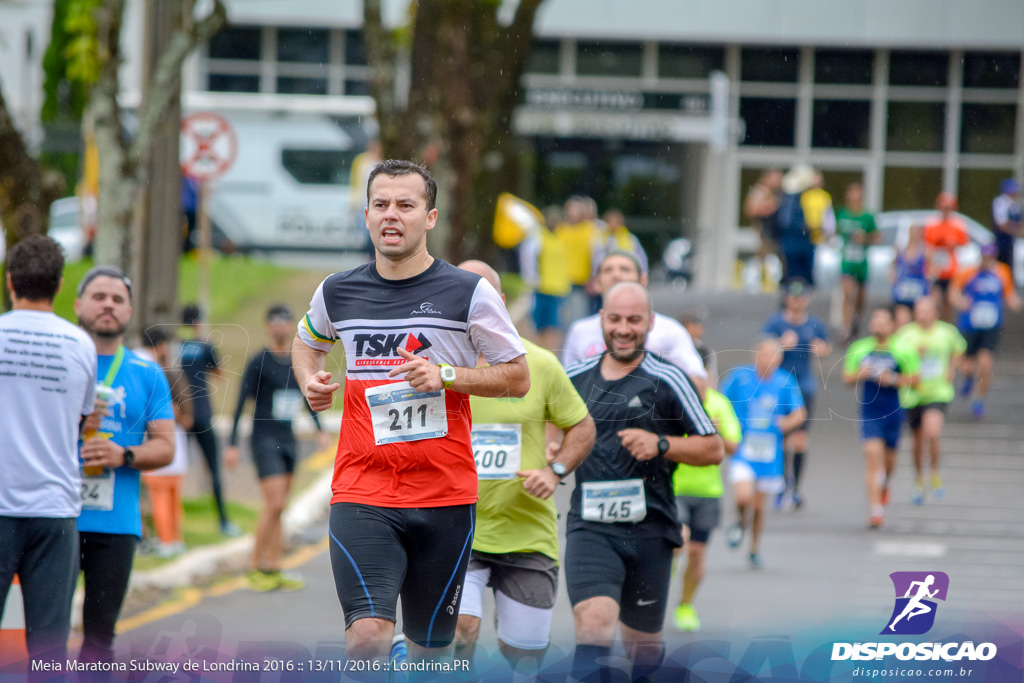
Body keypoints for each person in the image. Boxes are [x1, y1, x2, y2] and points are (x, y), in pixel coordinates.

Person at [292, 160, 529, 663]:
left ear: (431, 217)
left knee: (429, 654)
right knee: (368, 637)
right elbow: (305, 343)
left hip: (444, 495)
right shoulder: (338, 291)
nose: (391, 215)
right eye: (380, 205)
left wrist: (447, 375)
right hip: (363, 488)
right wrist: (309, 380)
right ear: (367, 214)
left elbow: (516, 375)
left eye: (405, 205)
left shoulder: (469, 293)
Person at [564, 282, 723, 682]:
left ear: (650, 323)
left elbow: (713, 447)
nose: (623, 328)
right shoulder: (575, 379)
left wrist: (662, 443)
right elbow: (553, 428)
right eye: (615, 319)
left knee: (644, 649)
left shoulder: (669, 379)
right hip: (590, 527)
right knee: (594, 623)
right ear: (601, 320)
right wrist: (555, 453)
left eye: (634, 320)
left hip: (650, 530)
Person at [453, 261, 595, 675]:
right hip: (457, 530)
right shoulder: (435, 368)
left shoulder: (539, 364)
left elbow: (582, 426)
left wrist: (555, 471)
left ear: (498, 302)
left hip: (527, 531)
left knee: (525, 656)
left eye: (477, 295)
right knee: (461, 630)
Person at [0, 235, 97, 667]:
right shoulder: (80, 344)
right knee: (48, 650)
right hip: (55, 512)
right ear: (59, 286)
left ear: (9, 282)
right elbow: (80, 421)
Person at [75, 266, 175, 664]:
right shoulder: (61, 360)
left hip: (116, 526)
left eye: (117, 300)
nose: (108, 306)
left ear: (130, 311)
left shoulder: (146, 373)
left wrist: (125, 455)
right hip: (56, 520)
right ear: (79, 304)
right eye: (99, 297)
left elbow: (166, 446)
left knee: (99, 640)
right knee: (43, 634)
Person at [226, 304, 332, 592]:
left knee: (280, 507)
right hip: (263, 439)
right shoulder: (259, 361)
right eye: (274, 323)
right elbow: (239, 404)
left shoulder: (296, 362)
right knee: (273, 504)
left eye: (284, 322)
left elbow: (306, 395)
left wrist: (320, 430)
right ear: (268, 327)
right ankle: (253, 566)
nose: (279, 328)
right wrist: (233, 444)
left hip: (288, 440)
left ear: (290, 327)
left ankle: (273, 568)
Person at [562, 251, 707, 394]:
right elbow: (565, 388)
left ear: (643, 280)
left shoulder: (670, 330)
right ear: (597, 282)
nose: (616, 275)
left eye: (625, 269)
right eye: (608, 270)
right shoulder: (579, 330)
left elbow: (697, 383)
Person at [671, 344, 741, 631]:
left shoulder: (719, 404)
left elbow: (734, 447)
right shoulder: (672, 401)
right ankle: (665, 570)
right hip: (674, 488)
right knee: (680, 541)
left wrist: (716, 431)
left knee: (698, 556)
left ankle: (685, 606)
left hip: (708, 492)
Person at [721, 339, 805, 568]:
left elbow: (800, 413)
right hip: (743, 449)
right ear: (755, 355)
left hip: (769, 454)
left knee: (758, 506)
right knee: (743, 496)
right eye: (763, 354)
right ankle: (740, 520)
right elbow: (720, 401)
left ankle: (754, 548)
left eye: (771, 356)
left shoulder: (785, 381)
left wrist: (785, 424)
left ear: (778, 359)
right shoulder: (740, 377)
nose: (766, 360)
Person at [843, 308, 920, 529]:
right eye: (875, 321)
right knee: (871, 455)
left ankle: (885, 483)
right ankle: (876, 510)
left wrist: (894, 378)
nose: (878, 325)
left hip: (894, 410)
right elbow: (846, 377)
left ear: (892, 326)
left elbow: (916, 379)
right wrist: (862, 374)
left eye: (883, 322)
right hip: (870, 411)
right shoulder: (860, 349)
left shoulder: (903, 349)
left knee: (889, 461)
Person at [761, 278, 831, 508]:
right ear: (787, 299)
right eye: (793, 297)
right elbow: (763, 350)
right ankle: (781, 485)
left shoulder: (814, 324)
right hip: (779, 387)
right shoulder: (776, 324)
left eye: (801, 298)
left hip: (804, 386)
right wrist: (781, 345)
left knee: (800, 439)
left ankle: (797, 488)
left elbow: (826, 347)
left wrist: (819, 349)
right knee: (780, 437)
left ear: (806, 300)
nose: (797, 302)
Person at [891, 296, 966, 505]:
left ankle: (934, 473)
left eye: (925, 310)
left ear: (935, 312)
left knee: (932, 432)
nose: (921, 314)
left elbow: (958, 350)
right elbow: (894, 359)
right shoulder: (906, 335)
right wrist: (913, 355)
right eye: (918, 310)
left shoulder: (947, 332)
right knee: (917, 441)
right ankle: (918, 479)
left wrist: (953, 368)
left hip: (938, 391)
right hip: (913, 393)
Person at [179, 303, 240, 537]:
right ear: (198, 322)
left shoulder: (175, 346)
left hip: (181, 415)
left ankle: (173, 521)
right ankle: (223, 521)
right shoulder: (205, 346)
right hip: (203, 413)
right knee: (213, 468)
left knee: (174, 470)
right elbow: (220, 373)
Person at [137, 328, 193, 559]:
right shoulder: (161, 370)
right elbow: (184, 414)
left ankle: (166, 539)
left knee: (160, 495)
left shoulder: (139, 365)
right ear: (161, 345)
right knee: (167, 496)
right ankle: (171, 539)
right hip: (168, 443)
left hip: (155, 444)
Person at [950, 243, 1022, 419]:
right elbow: (953, 292)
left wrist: (1016, 304)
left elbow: (1009, 293)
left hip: (991, 326)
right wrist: (960, 303)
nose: (987, 260)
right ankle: (967, 377)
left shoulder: (1002, 272)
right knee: (966, 365)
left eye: (990, 257)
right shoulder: (969, 272)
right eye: (984, 257)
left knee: (985, 364)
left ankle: (979, 400)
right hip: (969, 326)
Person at [519, 205, 571, 352]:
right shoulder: (538, 237)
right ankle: (540, 352)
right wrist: (531, 280)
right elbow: (528, 260)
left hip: (559, 289)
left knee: (553, 327)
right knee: (539, 326)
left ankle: (549, 352)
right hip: (542, 288)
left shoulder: (562, 237)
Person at [836, 182, 878, 341]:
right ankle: (846, 328)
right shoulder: (842, 214)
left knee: (860, 297)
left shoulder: (867, 216)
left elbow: (877, 237)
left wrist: (865, 238)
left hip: (861, 263)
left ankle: (856, 320)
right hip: (846, 262)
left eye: (857, 195)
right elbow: (832, 231)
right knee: (847, 294)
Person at [923, 193, 969, 322]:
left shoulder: (958, 224)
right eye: (944, 207)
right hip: (937, 268)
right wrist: (931, 265)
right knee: (934, 299)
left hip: (951, 269)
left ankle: (945, 326)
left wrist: (953, 244)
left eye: (948, 208)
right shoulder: (931, 223)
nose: (946, 210)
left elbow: (965, 245)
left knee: (948, 303)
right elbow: (928, 247)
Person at [556, 196, 600, 324]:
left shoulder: (591, 230)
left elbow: (595, 256)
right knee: (562, 321)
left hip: (580, 282)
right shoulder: (561, 230)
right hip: (561, 282)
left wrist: (593, 277)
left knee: (577, 317)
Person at [776, 165, 817, 285]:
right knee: (795, 279)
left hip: (799, 245)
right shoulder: (792, 199)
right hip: (796, 245)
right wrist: (803, 226)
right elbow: (786, 222)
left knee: (798, 279)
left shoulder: (799, 198)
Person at [743, 168, 783, 291]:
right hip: (763, 234)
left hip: (773, 234)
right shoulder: (760, 191)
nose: (779, 181)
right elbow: (751, 210)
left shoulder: (776, 192)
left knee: (773, 262)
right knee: (760, 260)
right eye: (777, 177)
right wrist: (772, 206)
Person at [891, 224, 931, 328]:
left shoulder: (926, 251)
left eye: (916, 231)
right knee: (902, 322)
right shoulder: (900, 250)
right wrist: (894, 279)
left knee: (919, 322)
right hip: (903, 293)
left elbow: (932, 270)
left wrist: (929, 277)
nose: (914, 234)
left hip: (919, 292)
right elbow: (893, 267)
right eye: (912, 231)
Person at [596, 209, 648, 275]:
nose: (613, 224)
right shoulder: (601, 239)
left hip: (627, 273)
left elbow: (640, 257)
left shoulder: (630, 238)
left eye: (616, 221)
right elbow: (596, 259)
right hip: (608, 274)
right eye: (611, 221)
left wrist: (643, 272)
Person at [991, 178, 1021, 270]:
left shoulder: (1014, 205)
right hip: (1002, 243)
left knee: (1009, 269)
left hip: (1010, 243)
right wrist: (1017, 230)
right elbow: (1002, 225)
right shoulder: (1001, 202)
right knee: (1001, 268)